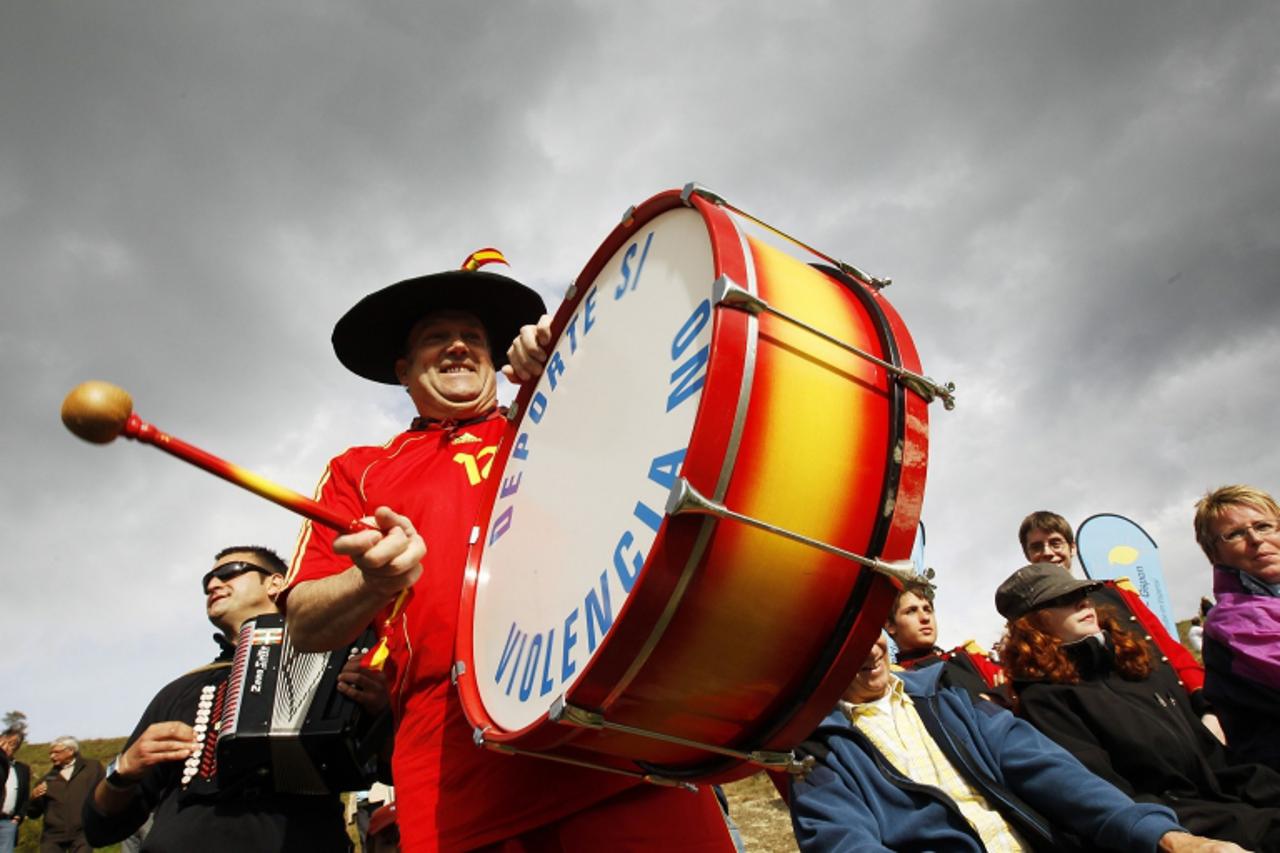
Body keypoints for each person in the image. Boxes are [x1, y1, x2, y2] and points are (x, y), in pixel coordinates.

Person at [281, 253, 735, 850]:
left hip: (608, 738)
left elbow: (661, 420)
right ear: (402, 369)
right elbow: (304, 624)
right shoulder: (358, 471)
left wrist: (572, 359)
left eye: (473, 336)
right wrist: (370, 583)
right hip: (452, 777)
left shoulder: (551, 417)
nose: (458, 347)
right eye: (435, 339)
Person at [788, 631, 1240, 852]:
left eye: (870, 634)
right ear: (816, 654)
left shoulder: (952, 701)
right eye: (846, 642)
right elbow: (842, 842)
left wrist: (1166, 836)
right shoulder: (818, 749)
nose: (869, 651)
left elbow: (1058, 775)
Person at [83, 545, 386, 852]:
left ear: (275, 584)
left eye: (229, 572)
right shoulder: (181, 689)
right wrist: (122, 770)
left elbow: (391, 770)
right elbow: (100, 827)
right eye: (207, 582)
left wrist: (382, 712)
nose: (213, 585)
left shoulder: (344, 661)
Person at [999, 562, 1280, 850]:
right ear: (1032, 624)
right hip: (1180, 828)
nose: (1082, 602)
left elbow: (1216, 760)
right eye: (1062, 600)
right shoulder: (1044, 700)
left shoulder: (1133, 661)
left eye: (1082, 593)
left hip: (1232, 803)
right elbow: (1115, 799)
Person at [1017, 510, 1217, 731]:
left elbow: (1167, 648)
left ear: (1072, 548)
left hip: (1180, 712)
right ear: (1028, 556)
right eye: (1037, 547)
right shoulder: (1030, 621)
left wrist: (1205, 703)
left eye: (1056, 543)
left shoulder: (1118, 592)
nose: (1048, 552)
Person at [1193, 484, 1280, 771]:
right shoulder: (1233, 621)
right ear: (1214, 554)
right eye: (1235, 534)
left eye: (1265, 526)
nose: (1256, 539)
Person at [886, 580, 1008, 703]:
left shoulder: (967, 657)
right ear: (890, 625)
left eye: (927, 609)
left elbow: (1013, 685)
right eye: (911, 611)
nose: (925, 617)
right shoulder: (897, 682)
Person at [26, 736, 103, 853]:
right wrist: (33, 798)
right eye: (50, 753)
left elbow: (104, 793)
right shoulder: (46, 779)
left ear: (71, 751)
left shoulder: (92, 768)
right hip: (52, 836)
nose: (52, 756)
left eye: (56, 752)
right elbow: (33, 813)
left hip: (83, 833)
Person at [0, 728, 31, 853]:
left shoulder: (21, 769)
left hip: (8, 822)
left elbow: (25, 796)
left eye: (12, 745)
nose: (7, 747)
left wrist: (18, 817)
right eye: (4, 743)